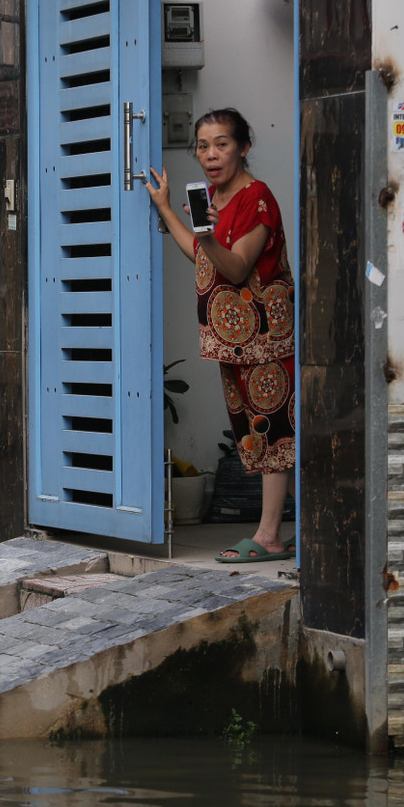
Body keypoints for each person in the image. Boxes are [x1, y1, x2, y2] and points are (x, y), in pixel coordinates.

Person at [144, 108, 295, 563]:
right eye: (203, 145)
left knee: (274, 432)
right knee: (253, 432)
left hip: (266, 338)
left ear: (243, 147)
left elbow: (235, 266)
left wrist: (205, 234)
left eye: (222, 144)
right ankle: (270, 532)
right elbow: (201, 255)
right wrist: (167, 208)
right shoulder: (213, 199)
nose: (211, 154)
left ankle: (269, 536)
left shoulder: (258, 198)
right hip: (232, 341)